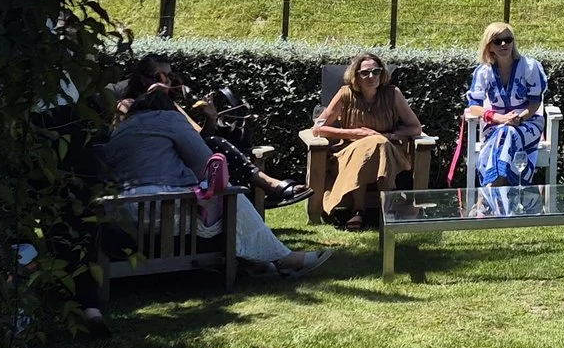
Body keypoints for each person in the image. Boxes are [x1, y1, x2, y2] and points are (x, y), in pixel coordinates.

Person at [96, 88, 325, 277]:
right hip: (159, 210)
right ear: (168, 107)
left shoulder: (121, 130)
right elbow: (204, 164)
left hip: (121, 214)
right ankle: (283, 258)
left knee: (218, 200)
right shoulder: (169, 120)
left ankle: (258, 263)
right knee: (231, 198)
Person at [119, 54, 306, 209]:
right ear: (143, 78)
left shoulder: (172, 106)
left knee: (215, 146)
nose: (167, 82)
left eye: (170, 77)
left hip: (188, 163)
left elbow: (199, 138)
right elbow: (133, 134)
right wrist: (152, 97)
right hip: (162, 170)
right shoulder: (127, 105)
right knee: (216, 146)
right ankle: (269, 187)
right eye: (159, 76)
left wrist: (211, 118)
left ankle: (260, 194)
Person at [311, 51, 424, 227]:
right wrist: (354, 134)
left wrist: (389, 136)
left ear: (382, 73)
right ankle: (389, 207)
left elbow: (415, 127)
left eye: (376, 71)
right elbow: (318, 128)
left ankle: (358, 210)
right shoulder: (345, 94)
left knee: (379, 144)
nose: (371, 76)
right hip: (350, 150)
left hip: (389, 149)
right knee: (372, 147)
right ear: (356, 76)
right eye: (365, 73)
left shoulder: (393, 94)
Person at [467, 21, 550, 187]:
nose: (504, 44)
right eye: (498, 41)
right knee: (505, 132)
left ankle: (493, 189)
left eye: (508, 39)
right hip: (495, 126)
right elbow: (473, 107)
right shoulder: (483, 72)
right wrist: (498, 118)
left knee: (509, 132)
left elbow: (535, 102)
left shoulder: (530, 67)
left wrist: (518, 118)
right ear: (489, 46)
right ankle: (506, 188)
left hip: (528, 123)